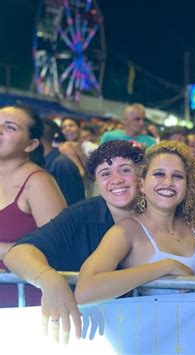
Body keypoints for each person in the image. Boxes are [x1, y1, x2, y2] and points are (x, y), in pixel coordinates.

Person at [4, 140, 143, 342]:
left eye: (125, 170)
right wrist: (49, 280)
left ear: (142, 175)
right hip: (95, 336)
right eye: (105, 173)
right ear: (95, 182)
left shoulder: (161, 212)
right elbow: (18, 254)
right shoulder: (82, 214)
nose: (117, 179)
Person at [75, 141, 195, 305]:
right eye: (159, 174)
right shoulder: (127, 231)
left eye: (177, 176)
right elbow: (85, 291)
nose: (168, 183)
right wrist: (165, 266)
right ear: (141, 184)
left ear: (187, 186)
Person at [0, 105, 66, 307]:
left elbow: (61, 248)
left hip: (21, 304)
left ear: (31, 144)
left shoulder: (38, 183)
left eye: (10, 127)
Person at [42, 119, 85, 205]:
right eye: (64, 127)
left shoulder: (61, 161)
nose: (67, 129)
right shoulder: (60, 152)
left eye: (71, 126)